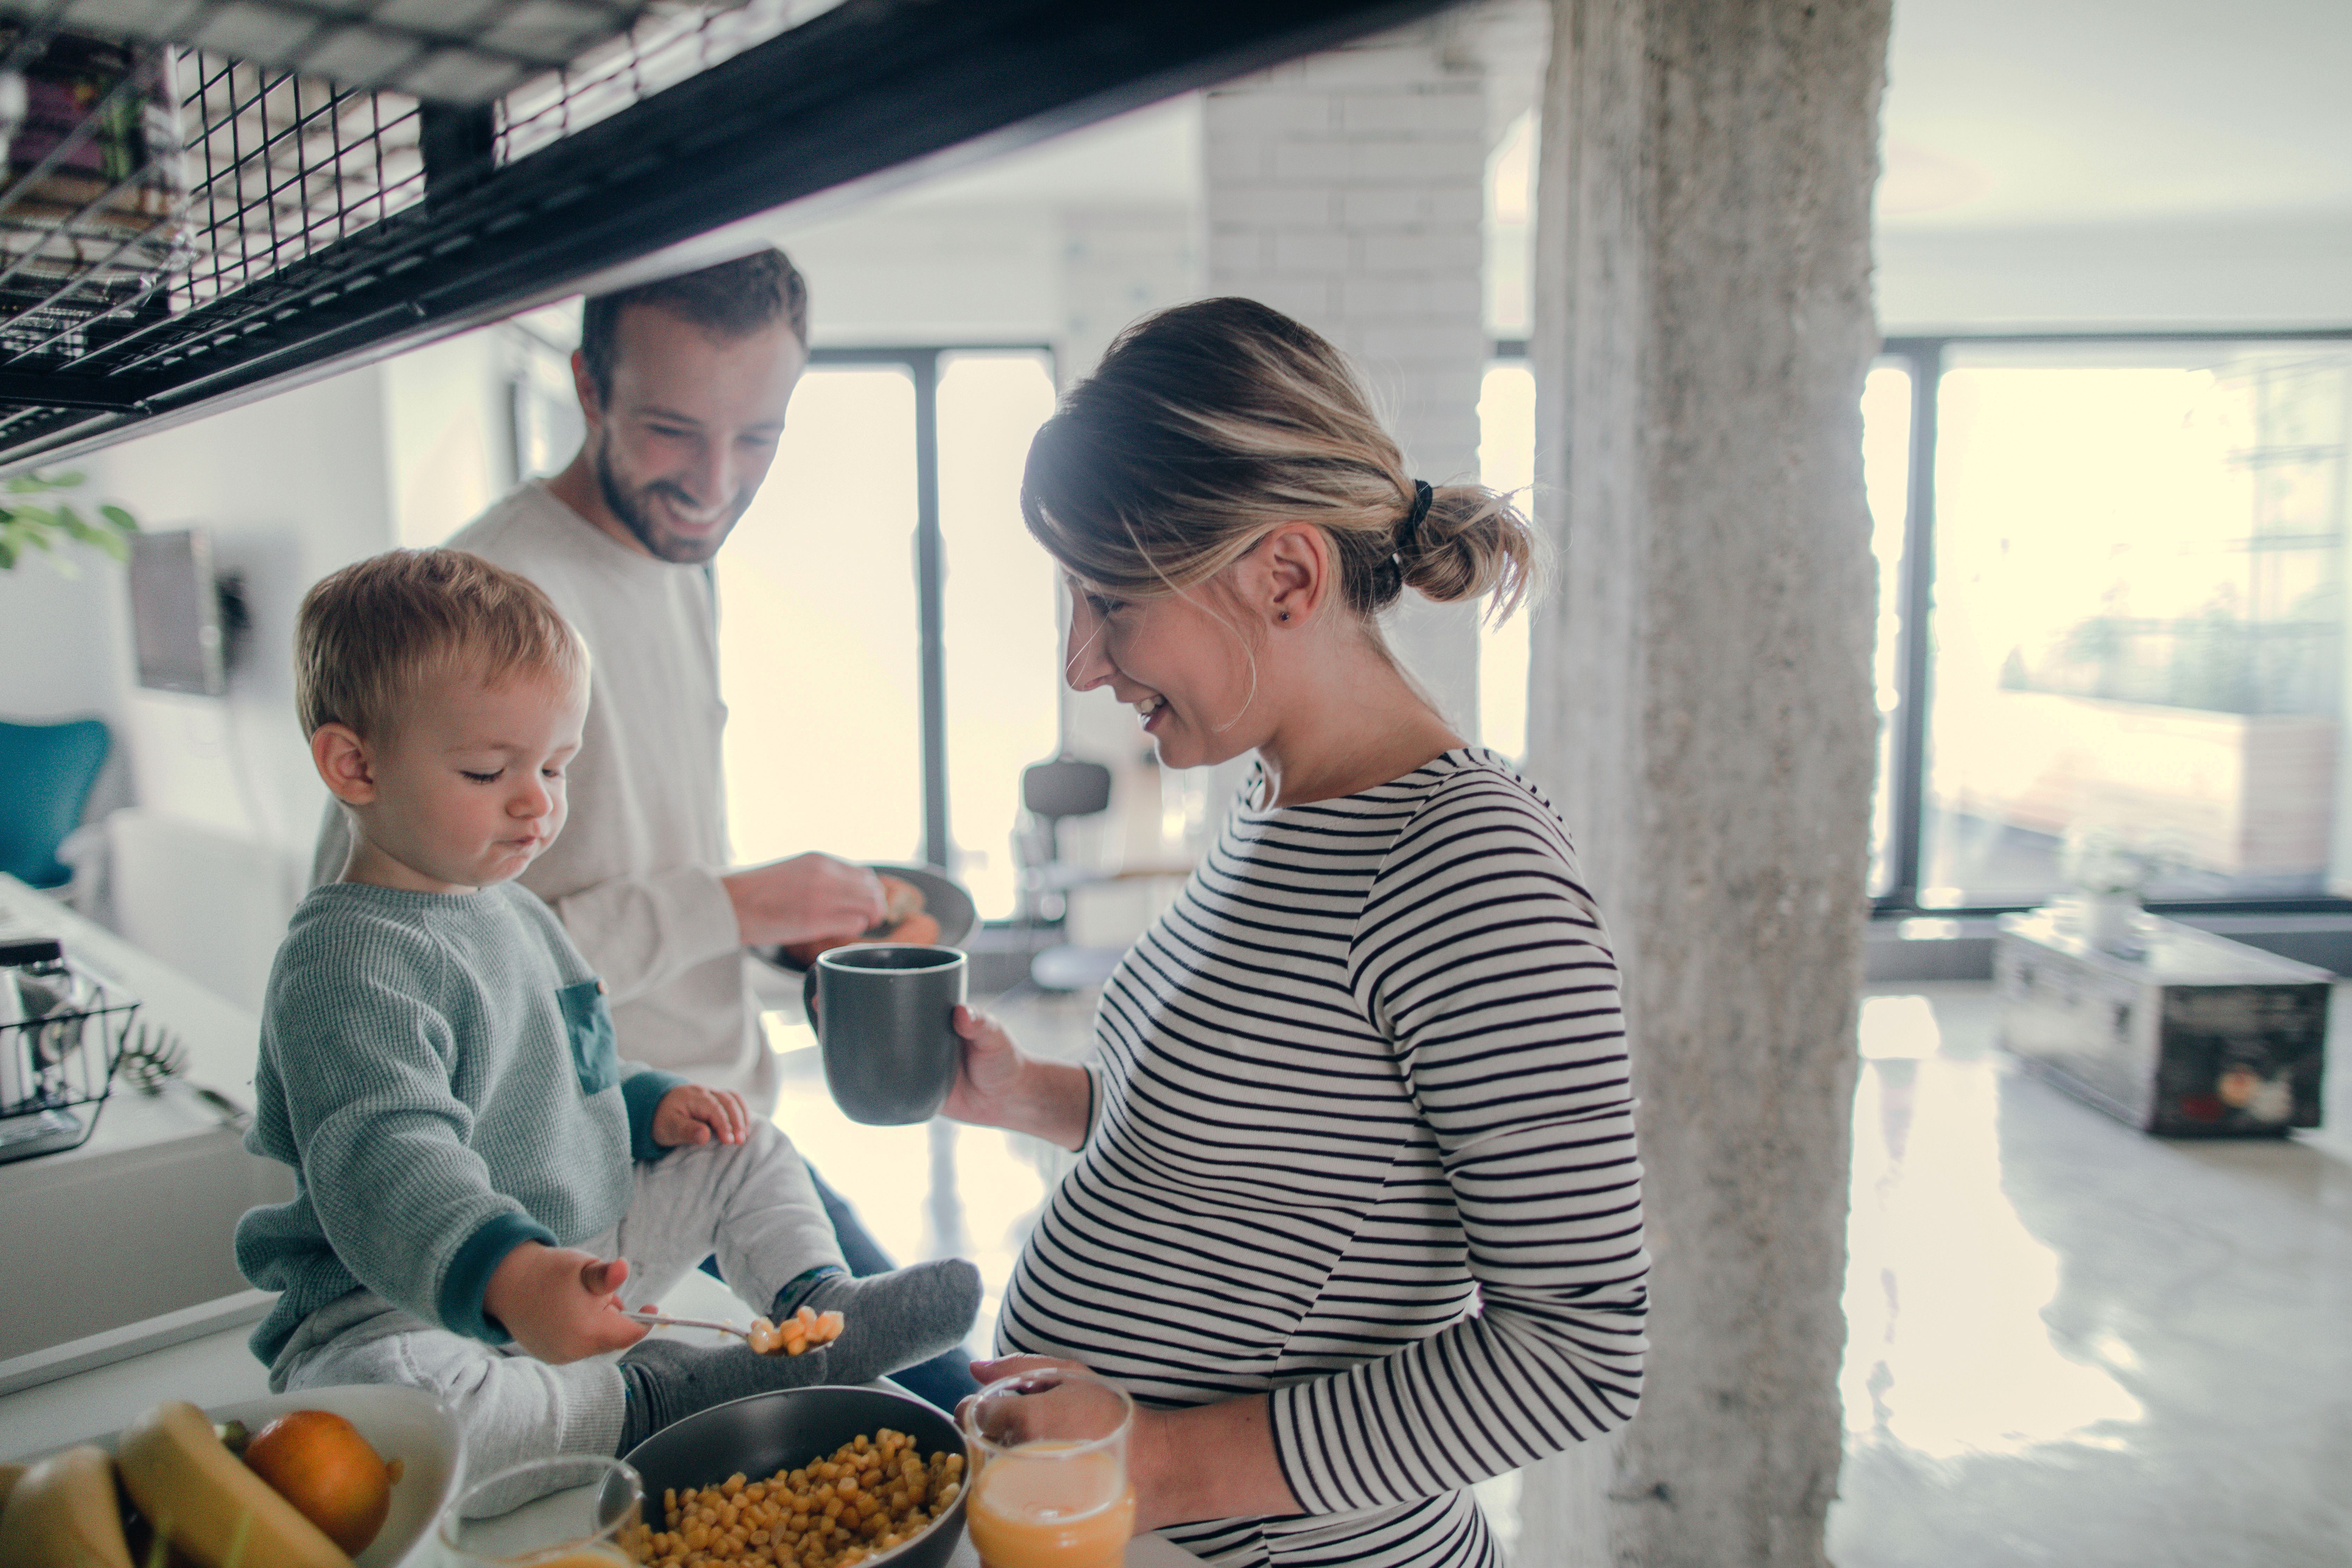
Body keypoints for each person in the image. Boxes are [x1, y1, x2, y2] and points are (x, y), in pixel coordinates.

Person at [942, 299, 1649, 1568]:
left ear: (1286, 574)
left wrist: (1149, 1466)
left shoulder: (1471, 868)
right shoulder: (1276, 798)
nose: (1081, 663)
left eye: (1110, 601)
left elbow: (1580, 1348)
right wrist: (1033, 1097)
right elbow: (1271, 1157)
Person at [312, 249, 978, 1409]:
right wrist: (732, 904)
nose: (715, 482)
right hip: (575, 1180)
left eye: (757, 437)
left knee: (940, 1406)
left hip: (707, 1118)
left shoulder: (673, 559)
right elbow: (396, 938)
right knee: (917, 1420)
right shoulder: (491, 595)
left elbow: (616, 863)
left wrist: (774, 948)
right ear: (588, 388)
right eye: (675, 431)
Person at [243, 549, 980, 1480]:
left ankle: (815, 1309)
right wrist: (511, 1279)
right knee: (407, 1410)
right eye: (486, 772)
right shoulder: (344, 963)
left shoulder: (507, 908)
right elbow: (389, 1162)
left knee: (742, 1143)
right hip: (396, 1302)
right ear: (354, 765)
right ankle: (653, 1398)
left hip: (566, 1253)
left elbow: (569, 1066)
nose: (537, 805)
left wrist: (649, 1106)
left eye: (556, 768)